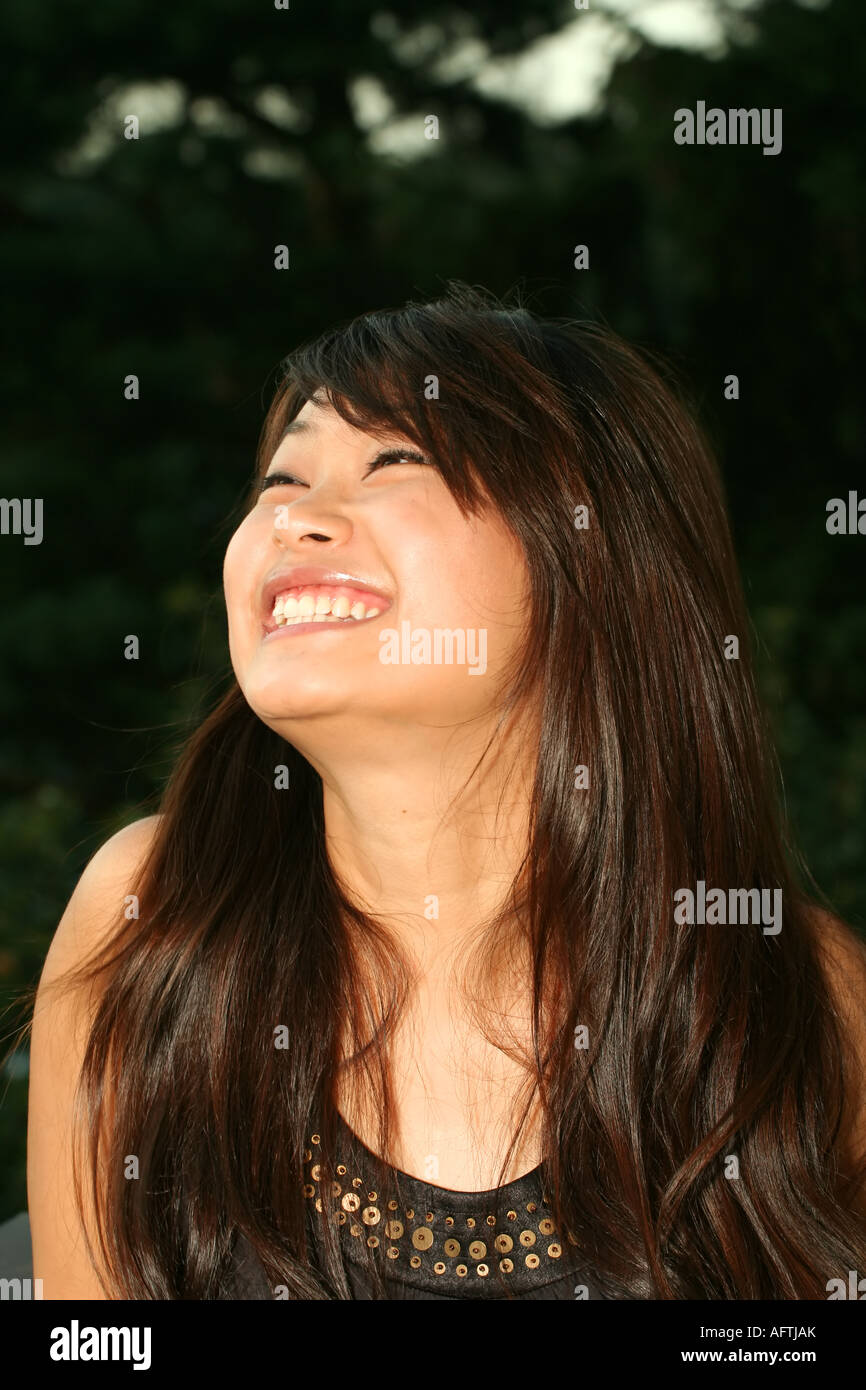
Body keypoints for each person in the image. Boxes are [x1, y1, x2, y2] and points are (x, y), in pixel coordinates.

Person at [25, 282, 866, 1300]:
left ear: (589, 556)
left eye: (394, 460)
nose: (296, 518)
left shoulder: (797, 996)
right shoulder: (150, 917)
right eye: (278, 481)